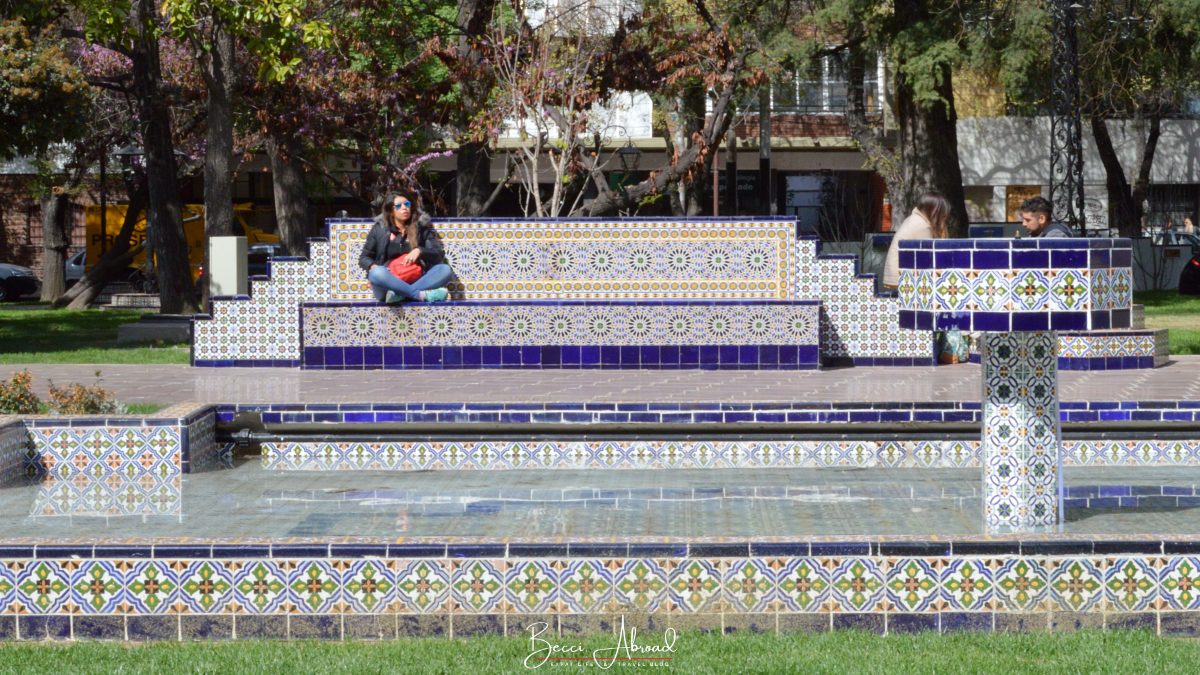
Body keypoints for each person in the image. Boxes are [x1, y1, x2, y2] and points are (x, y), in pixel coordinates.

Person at [359, 190, 452, 303]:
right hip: (389, 285)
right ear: (391, 211)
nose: (404, 208)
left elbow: (438, 254)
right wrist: (373, 267)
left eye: (407, 204)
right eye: (398, 206)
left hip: (417, 279)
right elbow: (364, 258)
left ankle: (401, 294)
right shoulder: (379, 229)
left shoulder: (421, 228)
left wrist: (419, 251)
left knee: (445, 269)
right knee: (376, 273)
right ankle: (418, 294)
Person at [882, 190, 953, 290]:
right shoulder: (921, 226)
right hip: (902, 279)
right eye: (943, 214)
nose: (945, 218)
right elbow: (933, 257)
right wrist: (942, 230)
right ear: (935, 211)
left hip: (897, 276)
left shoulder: (914, 219)